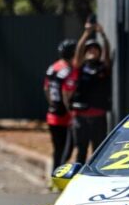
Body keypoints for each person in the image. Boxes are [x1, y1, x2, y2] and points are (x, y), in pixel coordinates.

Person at [70, 19, 112, 164]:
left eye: (95, 49)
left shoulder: (103, 67)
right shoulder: (80, 67)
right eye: (89, 50)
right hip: (81, 116)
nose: (92, 51)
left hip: (98, 116)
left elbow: (107, 56)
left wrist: (103, 35)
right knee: (81, 150)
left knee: (98, 151)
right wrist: (87, 33)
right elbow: (78, 52)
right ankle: (77, 178)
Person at [44, 39, 76, 172]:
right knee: (66, 150)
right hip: (65, 116)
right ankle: (57, 176)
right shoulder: (69, 70)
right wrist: (71, 113)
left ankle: (53, 176)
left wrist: (52, 104)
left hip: (52, 114)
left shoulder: (52, 68)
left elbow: (46, 89)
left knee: (58, 149)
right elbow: (65, 94)